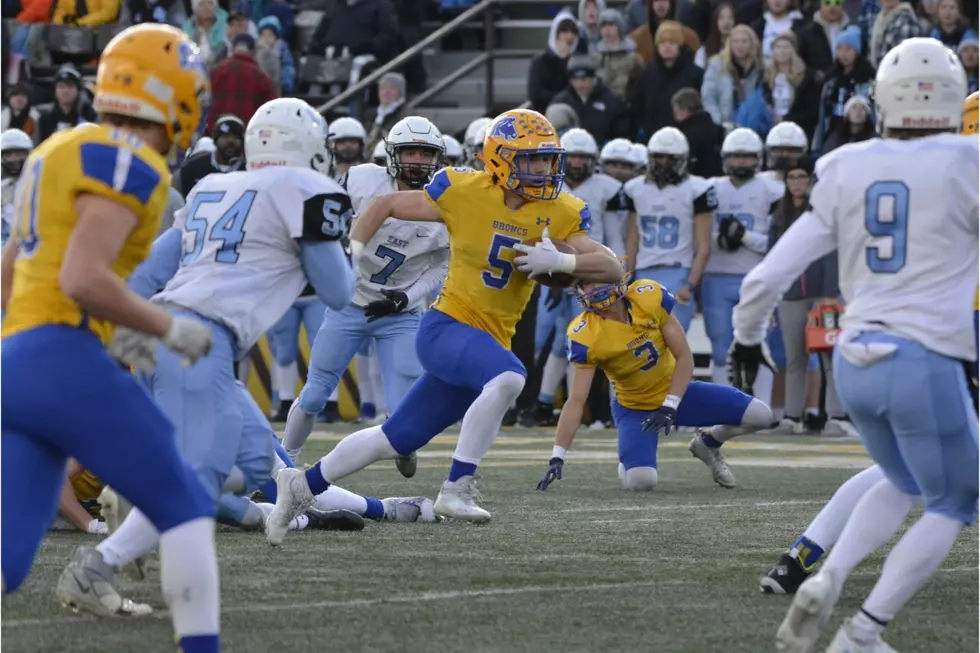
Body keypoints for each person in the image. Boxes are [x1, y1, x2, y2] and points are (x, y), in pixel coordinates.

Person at [266, 108, 624, 538]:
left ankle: (300, 485)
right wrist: (354, 250)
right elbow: (386, 203)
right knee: (510, 377)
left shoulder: (559, 209)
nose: (544, 170)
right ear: (499, 158)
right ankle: (457, 487)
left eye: (548, 159)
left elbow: (611, 268)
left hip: (486, 339)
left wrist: (564, 260)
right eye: (532, 159)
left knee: (395, 438)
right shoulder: (464, 190)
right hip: (446, 326)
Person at [729, 38, 977, 652]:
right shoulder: (967, 163)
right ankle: (863, 632)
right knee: (954, 502)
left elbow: (766, 275)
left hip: (855, 359)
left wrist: (745, 338)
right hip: (924, 358)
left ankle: (828, 575)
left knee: (901, 481)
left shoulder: (848, 165)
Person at [67, 96, 356, 612]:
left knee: (250, 461)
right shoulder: (301, 187)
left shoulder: (211, 185)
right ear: (309, 148)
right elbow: (337, 290)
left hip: (152, 329)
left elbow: (154, 267)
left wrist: (119, 328)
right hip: (197, 341)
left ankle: (141, 490)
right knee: (199, 477)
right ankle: (101, 563)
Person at [1, 23, 220, 651]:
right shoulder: (132, 163)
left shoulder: (54, 150)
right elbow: (84, 278)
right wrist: (171, 330)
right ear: (171, 92)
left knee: (8, 564)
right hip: (59, 356)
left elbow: (15, 272)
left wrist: (119, 350)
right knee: (185, 502)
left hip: (19, 359)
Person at [282, 116, 449, 468]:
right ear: (392, 153)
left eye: (425, 153)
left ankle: (405, 444)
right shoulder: (361, 180)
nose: (417, 160)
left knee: (406, 407)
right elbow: (327, 224)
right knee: (314, 394)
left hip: (400, 313)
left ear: (438, 157)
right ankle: (287, 458)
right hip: (350, 304)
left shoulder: (450, 202)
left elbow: (442, 266)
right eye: (410, 151)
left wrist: (406, 298)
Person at [535, 278, 772, 492]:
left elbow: (684, 357)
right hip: (635, 407)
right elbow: (576, 399)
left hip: (679, 392)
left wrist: (670, 405)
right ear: (578, 291)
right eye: (587, 283)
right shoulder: (583, 334)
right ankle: (630, 459)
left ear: (617, 276)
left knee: (761, 415)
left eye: (600, 278)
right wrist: (558, 455)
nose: (595, 286)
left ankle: (708, 442)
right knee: (641, 481)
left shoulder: (646, 297)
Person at [523, 127, 624, 427]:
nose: (578, 163)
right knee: (548, 340)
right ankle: (541, 403)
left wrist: (610, 271)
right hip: (553, 269)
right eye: (574, 156)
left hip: (591, 270)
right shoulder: (546, 186)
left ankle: (584, 409)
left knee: (585, 340)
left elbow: (614, 236)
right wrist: (552, 272)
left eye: (584, 157)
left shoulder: (607, 188)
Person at [702, 128, 782, 388]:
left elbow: (776, 240)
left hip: (756, 275)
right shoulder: (711, 187)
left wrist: (745, 237)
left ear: (758, 158)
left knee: (761, 344)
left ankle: (761, 409)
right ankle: (720, 409)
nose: (741, 162)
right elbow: (699, 234)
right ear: (726, 157)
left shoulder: (771, 188)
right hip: (717, 275)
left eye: (747, 157)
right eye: (736, 156)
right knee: (719, 345)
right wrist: (719, 239)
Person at [624, 127, 715, 332]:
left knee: (673, 346)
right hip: (644, 272)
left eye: (671, 159)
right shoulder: (635, 189)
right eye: (659, 157)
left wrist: (690, 284)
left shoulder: (696, 189)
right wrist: (626, 278)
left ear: (682, 160)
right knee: (643, 342)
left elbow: (704, 245)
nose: (664, 163)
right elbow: (632, 240)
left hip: (678, 270)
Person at [173, 114, 246, 198]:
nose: (231, 141)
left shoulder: (248, 170)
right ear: (215, 139)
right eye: (225, 136)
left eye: (236, 137)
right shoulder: (192, 168)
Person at [1, 128, 32, 244]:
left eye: (19, 154)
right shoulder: (2, 188)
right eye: (8, 155)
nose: (14, 159)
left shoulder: (40, 184)